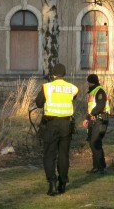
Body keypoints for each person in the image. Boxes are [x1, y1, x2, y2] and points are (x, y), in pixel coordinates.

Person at [35, 63, 78, 196]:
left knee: (49, 154)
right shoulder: (72, 88)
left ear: (53, 74)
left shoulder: (47, 87)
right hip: (66, 124)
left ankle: (52, 184)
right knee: (63, 154)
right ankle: (63, 183)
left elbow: (39, 103)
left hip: (51, 124)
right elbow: (72, 98)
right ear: (64, 74)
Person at [82, 74, 110, 175]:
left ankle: (102, 167)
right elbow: (91, 108)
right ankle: (96, 167)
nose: (87, 84)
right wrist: (87, 118)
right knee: (92, 142)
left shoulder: (99, 91)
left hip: (101, 119)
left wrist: (91, 114)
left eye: (88, 82)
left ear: (90, 82)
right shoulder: (93, 92)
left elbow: (100, 106)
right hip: (93, 120)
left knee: (95, 142)